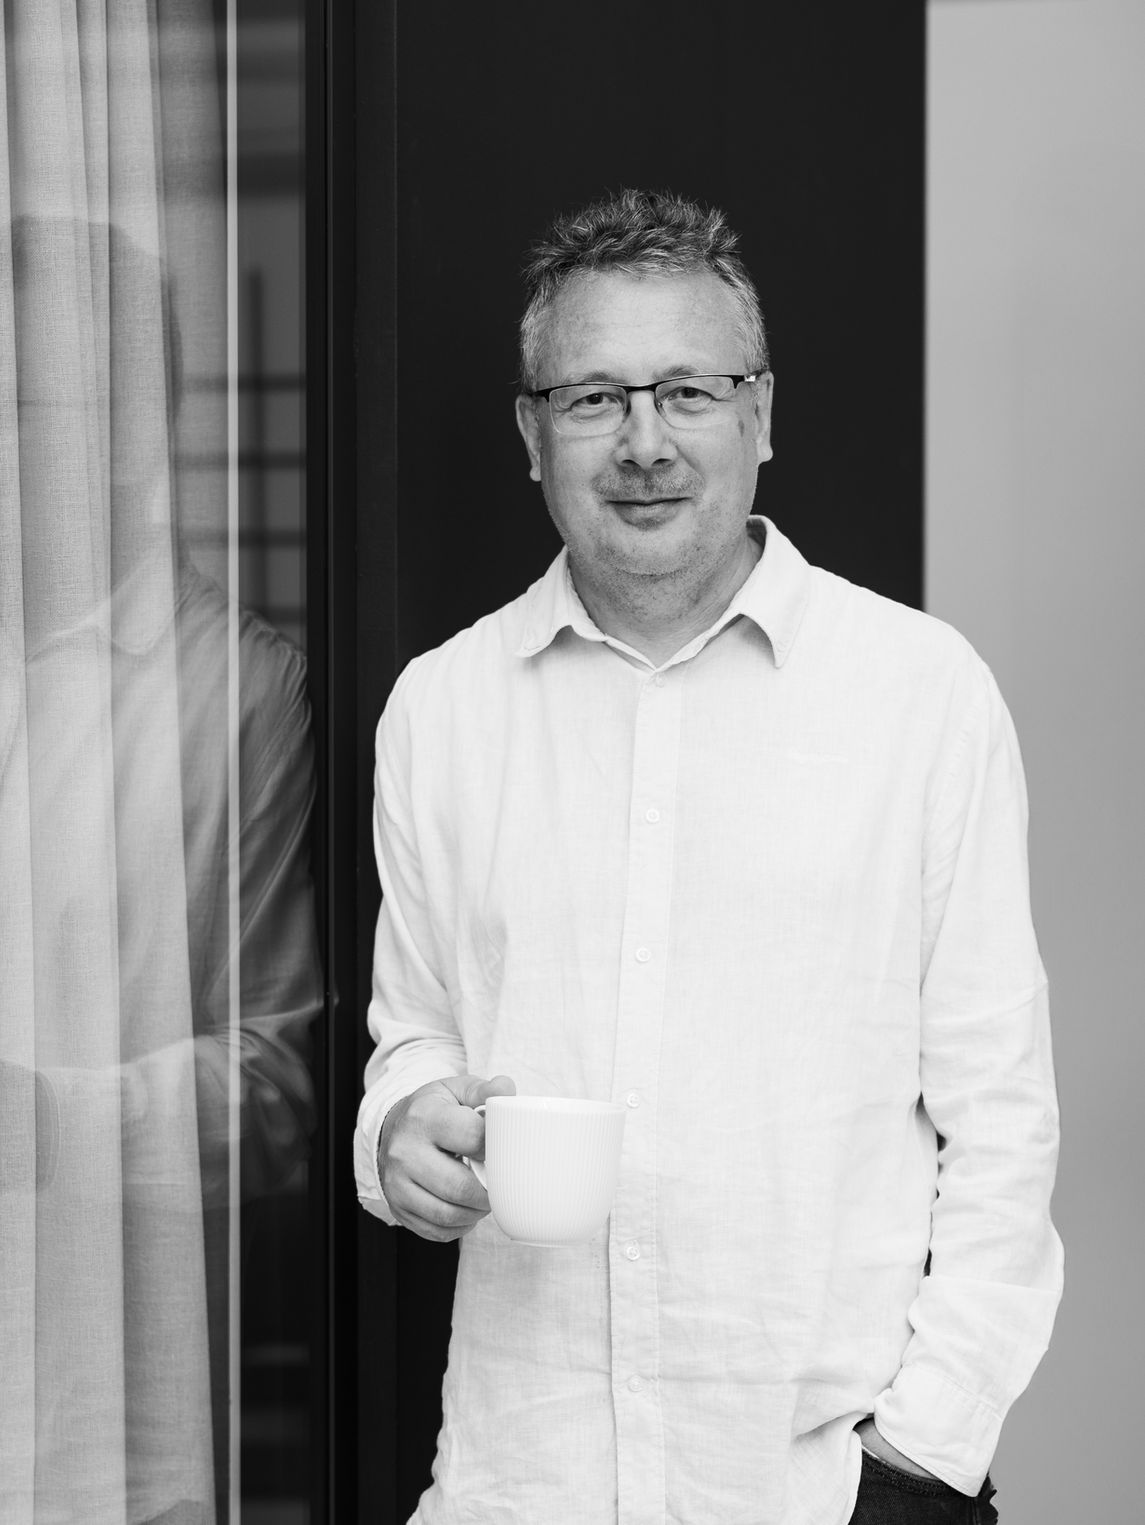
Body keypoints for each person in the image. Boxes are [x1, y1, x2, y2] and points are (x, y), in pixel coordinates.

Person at [354, 189, 1063, 1525]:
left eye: (687, 390)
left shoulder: (918, 692)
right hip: (522, 1478)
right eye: (592, 398)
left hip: (814, 1482)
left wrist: (923, 1452)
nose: (643, 443)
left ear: (761, 415)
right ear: (530, 432)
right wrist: (401, 1129)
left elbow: (1000, 1114)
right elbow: (419, 1035)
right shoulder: (440, 709)